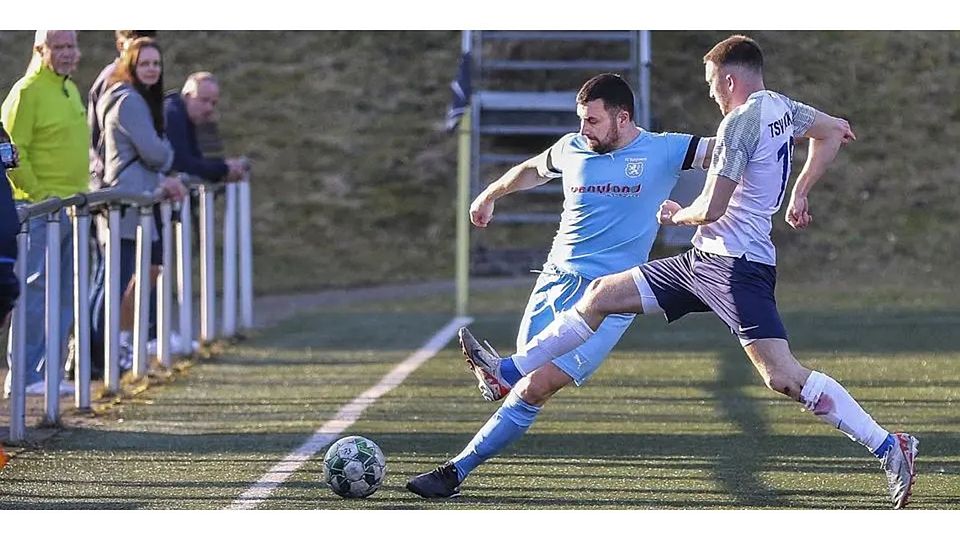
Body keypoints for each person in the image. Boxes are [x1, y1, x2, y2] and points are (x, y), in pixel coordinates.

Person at [454, 35, 918, 509]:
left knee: (782, 376)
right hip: (702, 263)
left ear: (730, 79)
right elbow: (835, 130)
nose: (710, 93)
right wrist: (801, 191)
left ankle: (888, 445)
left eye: (712, 83)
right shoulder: (784, 108)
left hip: (735, 268)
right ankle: (506, 371)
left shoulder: (738, 123)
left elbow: (712, 208)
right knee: (600, 296)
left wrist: (676, 214)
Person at [406, 73, 714, 498]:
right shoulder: (571, 148)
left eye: (592, 121)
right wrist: (490, 195)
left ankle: (456, 471)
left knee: (537, 384)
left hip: (611, 296)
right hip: (554, 282)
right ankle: (500, 379)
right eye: (581, 120)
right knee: (522, 379)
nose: (583, 129)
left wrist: (783, 126)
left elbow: (725, 153)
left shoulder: (665, 149)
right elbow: (532, 169)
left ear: (622, 118)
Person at [90, 37, 186, 372]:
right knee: (116, 280)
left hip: (139, 199)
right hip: (126, 202)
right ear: (131, 64)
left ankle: (114, 350)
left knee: (132, 275)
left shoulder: (139, 98)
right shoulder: (128, 100)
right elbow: (158, 153)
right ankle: (102, 356)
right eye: (144, 63)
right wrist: (165, 154)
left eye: (156, 64)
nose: (151, 69)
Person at [1, 30, 88, 398]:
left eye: (72, 46)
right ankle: (23, 375)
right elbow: (11, 153)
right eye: (60, 46)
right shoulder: (26, 92)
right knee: (33, 293)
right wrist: (41, 197)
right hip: (39, 212)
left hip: (70, 209)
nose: (68, 53)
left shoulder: (68, 89)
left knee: (64, 293)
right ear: (40, 50)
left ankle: (46, 372)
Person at [89, 31, 157, 187]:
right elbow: (100, 134)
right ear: (121, 45)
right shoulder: (113, 79)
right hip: (117, 177)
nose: (143, 50)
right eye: (137, 43)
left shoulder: (143, 79)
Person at [164, 72, 247, 183]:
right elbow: (181, 164)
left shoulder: (182, 115)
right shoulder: (172, 115)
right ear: (188, 96)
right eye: (204, 100)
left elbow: (195, 161)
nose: (209, 108)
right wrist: (225, 169)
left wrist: (223, 167)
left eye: (213, 103)